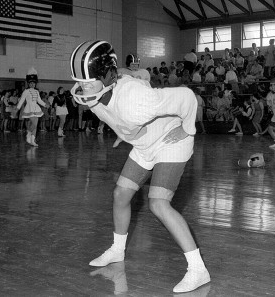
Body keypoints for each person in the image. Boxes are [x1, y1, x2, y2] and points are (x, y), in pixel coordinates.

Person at [69, 40, 210, 293]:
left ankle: (198, 270)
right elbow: (119, 107)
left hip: (170, 141)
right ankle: (117, 250)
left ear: (107, 76)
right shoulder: (95, 96)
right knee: (120, 194)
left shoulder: (137, 99)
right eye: (80, 81)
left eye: (88, 81)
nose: (82, 87)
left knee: (158, 203)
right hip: (145, 144)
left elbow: (186, 96)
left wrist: (187, 129)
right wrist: (126, 132)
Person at [16, 68, 47, 146]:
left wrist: (45, 105)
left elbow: (39, 100)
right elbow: (21, 100)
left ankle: (32, 139)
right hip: (29, 108)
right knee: (34, 124)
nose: (32, 84)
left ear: (35, 84)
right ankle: (29, 134)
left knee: (35, 125)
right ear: (28, 84)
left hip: (36, 108)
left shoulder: (37, 91)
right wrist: (17, 109)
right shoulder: (26, 91)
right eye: (31, 83)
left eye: (34, 83)